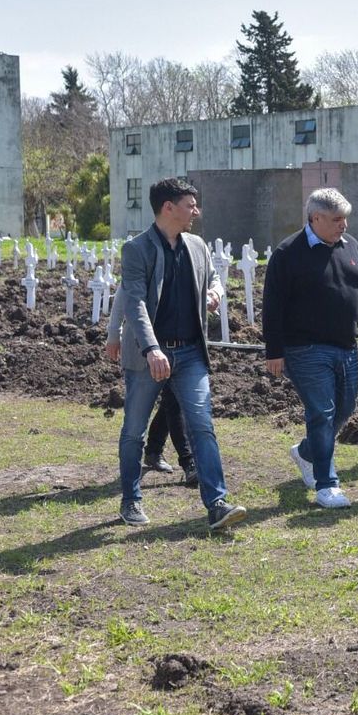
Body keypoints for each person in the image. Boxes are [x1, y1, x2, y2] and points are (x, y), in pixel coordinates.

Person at [107, 177, 246, 530]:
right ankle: (131, 499)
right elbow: (134, 302)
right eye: (190, 205)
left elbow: (215, 279)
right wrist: (151, 348)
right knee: (134, 432)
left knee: (202, 426)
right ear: (168, 208)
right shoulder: (137, 249)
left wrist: (215, 293)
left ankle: (217, 504)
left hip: (190, 354)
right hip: (148, 357)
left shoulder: (197, 246)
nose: (196, 211)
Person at [262, 188, 358, 509]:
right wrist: (273, 350)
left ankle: (305, 452)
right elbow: (272, 306)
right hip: (304, 349)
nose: (343, 225)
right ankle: (326, 485)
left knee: (344, 408)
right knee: (322, 412)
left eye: (345, 218)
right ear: (315, 218)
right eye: (336, 219)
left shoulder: (351, 247)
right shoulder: (288, 253)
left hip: (346, 346)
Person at [107, 288, 198, 487]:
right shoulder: (144, 257)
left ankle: (158, 451)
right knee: (168, 403)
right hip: (147, 346)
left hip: (180, 344)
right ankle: (188, 460)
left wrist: (215, 293)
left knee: (173, 401)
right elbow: (125, 291)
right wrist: (114, 333)